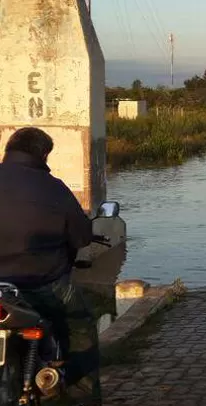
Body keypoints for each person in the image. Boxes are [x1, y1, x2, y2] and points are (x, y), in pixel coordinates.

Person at [0, 127, 102, 405]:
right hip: (42, 285)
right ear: (44, 154)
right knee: (80, 330)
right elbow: (80, 237)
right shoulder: (53, 187)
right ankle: (82, 396)